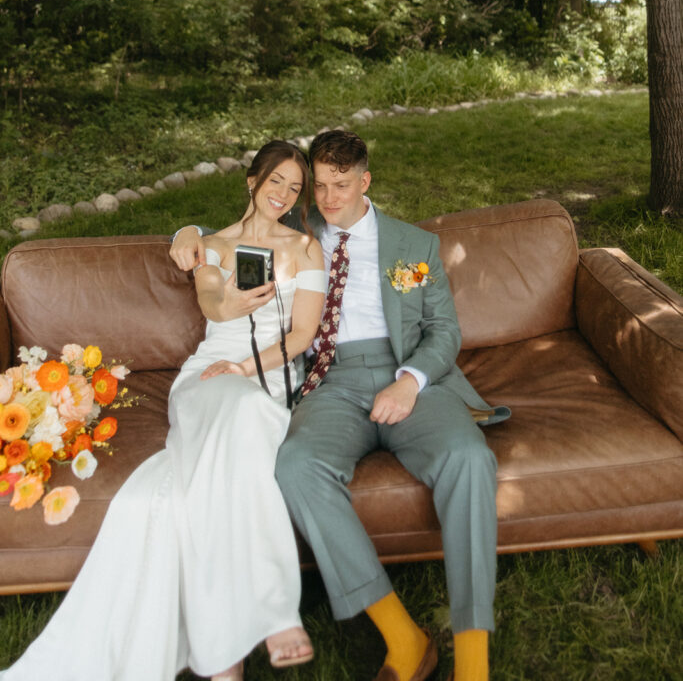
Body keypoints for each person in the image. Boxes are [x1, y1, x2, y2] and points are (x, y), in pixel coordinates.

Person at [170, 130, 510, 681]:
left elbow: (444, 331)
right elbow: (230, 233)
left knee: (469, 459)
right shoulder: (299, 236)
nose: (328, 199)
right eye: (320, 187)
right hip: (330, 380)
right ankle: (403, 637)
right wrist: (184, 232)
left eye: (341, 185)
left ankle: (474, 664)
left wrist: (409, 382)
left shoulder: (412, 246)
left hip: (411, 377)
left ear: (365, 181)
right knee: (297, 466)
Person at [1, 140, 326, 681]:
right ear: (252, 181)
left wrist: (248, 369)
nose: (284, 195)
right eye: (276, 182)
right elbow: (211, 303)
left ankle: (227, 661)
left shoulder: (307, 249)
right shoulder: (213, 247)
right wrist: (232, 302)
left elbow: (304, 334)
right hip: (208, 377)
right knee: (235, 416)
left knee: (234, 435)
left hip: (265, 376)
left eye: (295, 188)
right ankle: (270, 612)